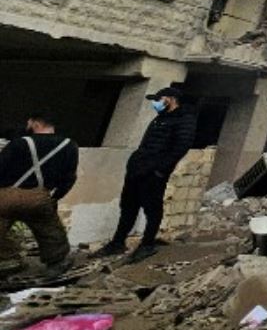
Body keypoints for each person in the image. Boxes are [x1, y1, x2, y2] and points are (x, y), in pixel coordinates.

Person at [96, 85, 197, 263]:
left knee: (152, 208)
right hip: (137, 170)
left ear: (170, 99)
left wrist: (160, 170)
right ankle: (117, 242)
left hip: (153, 173)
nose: (156, 103)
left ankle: (147, 244)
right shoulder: (160, 119)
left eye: (159, 99)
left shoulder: (184, 119)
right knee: (128, 206)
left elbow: (180, 147)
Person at [0, 113, 77, 272]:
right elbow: (69, 177)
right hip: (39, 196)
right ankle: (56, 264)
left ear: (36, 124)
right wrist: (55, 197)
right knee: (50, 230)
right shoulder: (69, 145)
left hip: (6, 196)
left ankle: (9, 261)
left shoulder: (19, 143)